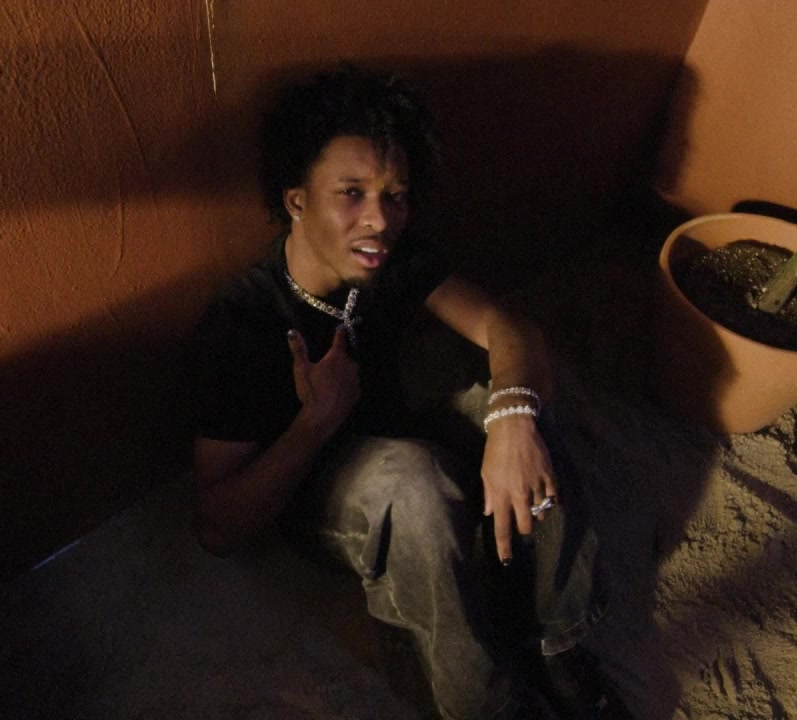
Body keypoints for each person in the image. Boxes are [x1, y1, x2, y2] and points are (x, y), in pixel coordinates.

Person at [189, 66, 609, 720]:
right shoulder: (241, 323)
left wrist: (512, 419)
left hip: (398, 433)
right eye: (351, 193)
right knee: (412, 485)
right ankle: (487, 705)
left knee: (520, 409)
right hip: (316, 487)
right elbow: (219, 526)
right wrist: (315, 422)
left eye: (395, 195)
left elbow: (508, 329)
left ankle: (558, 642)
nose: (380, 219)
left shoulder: (387, 257)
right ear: (296, 199)